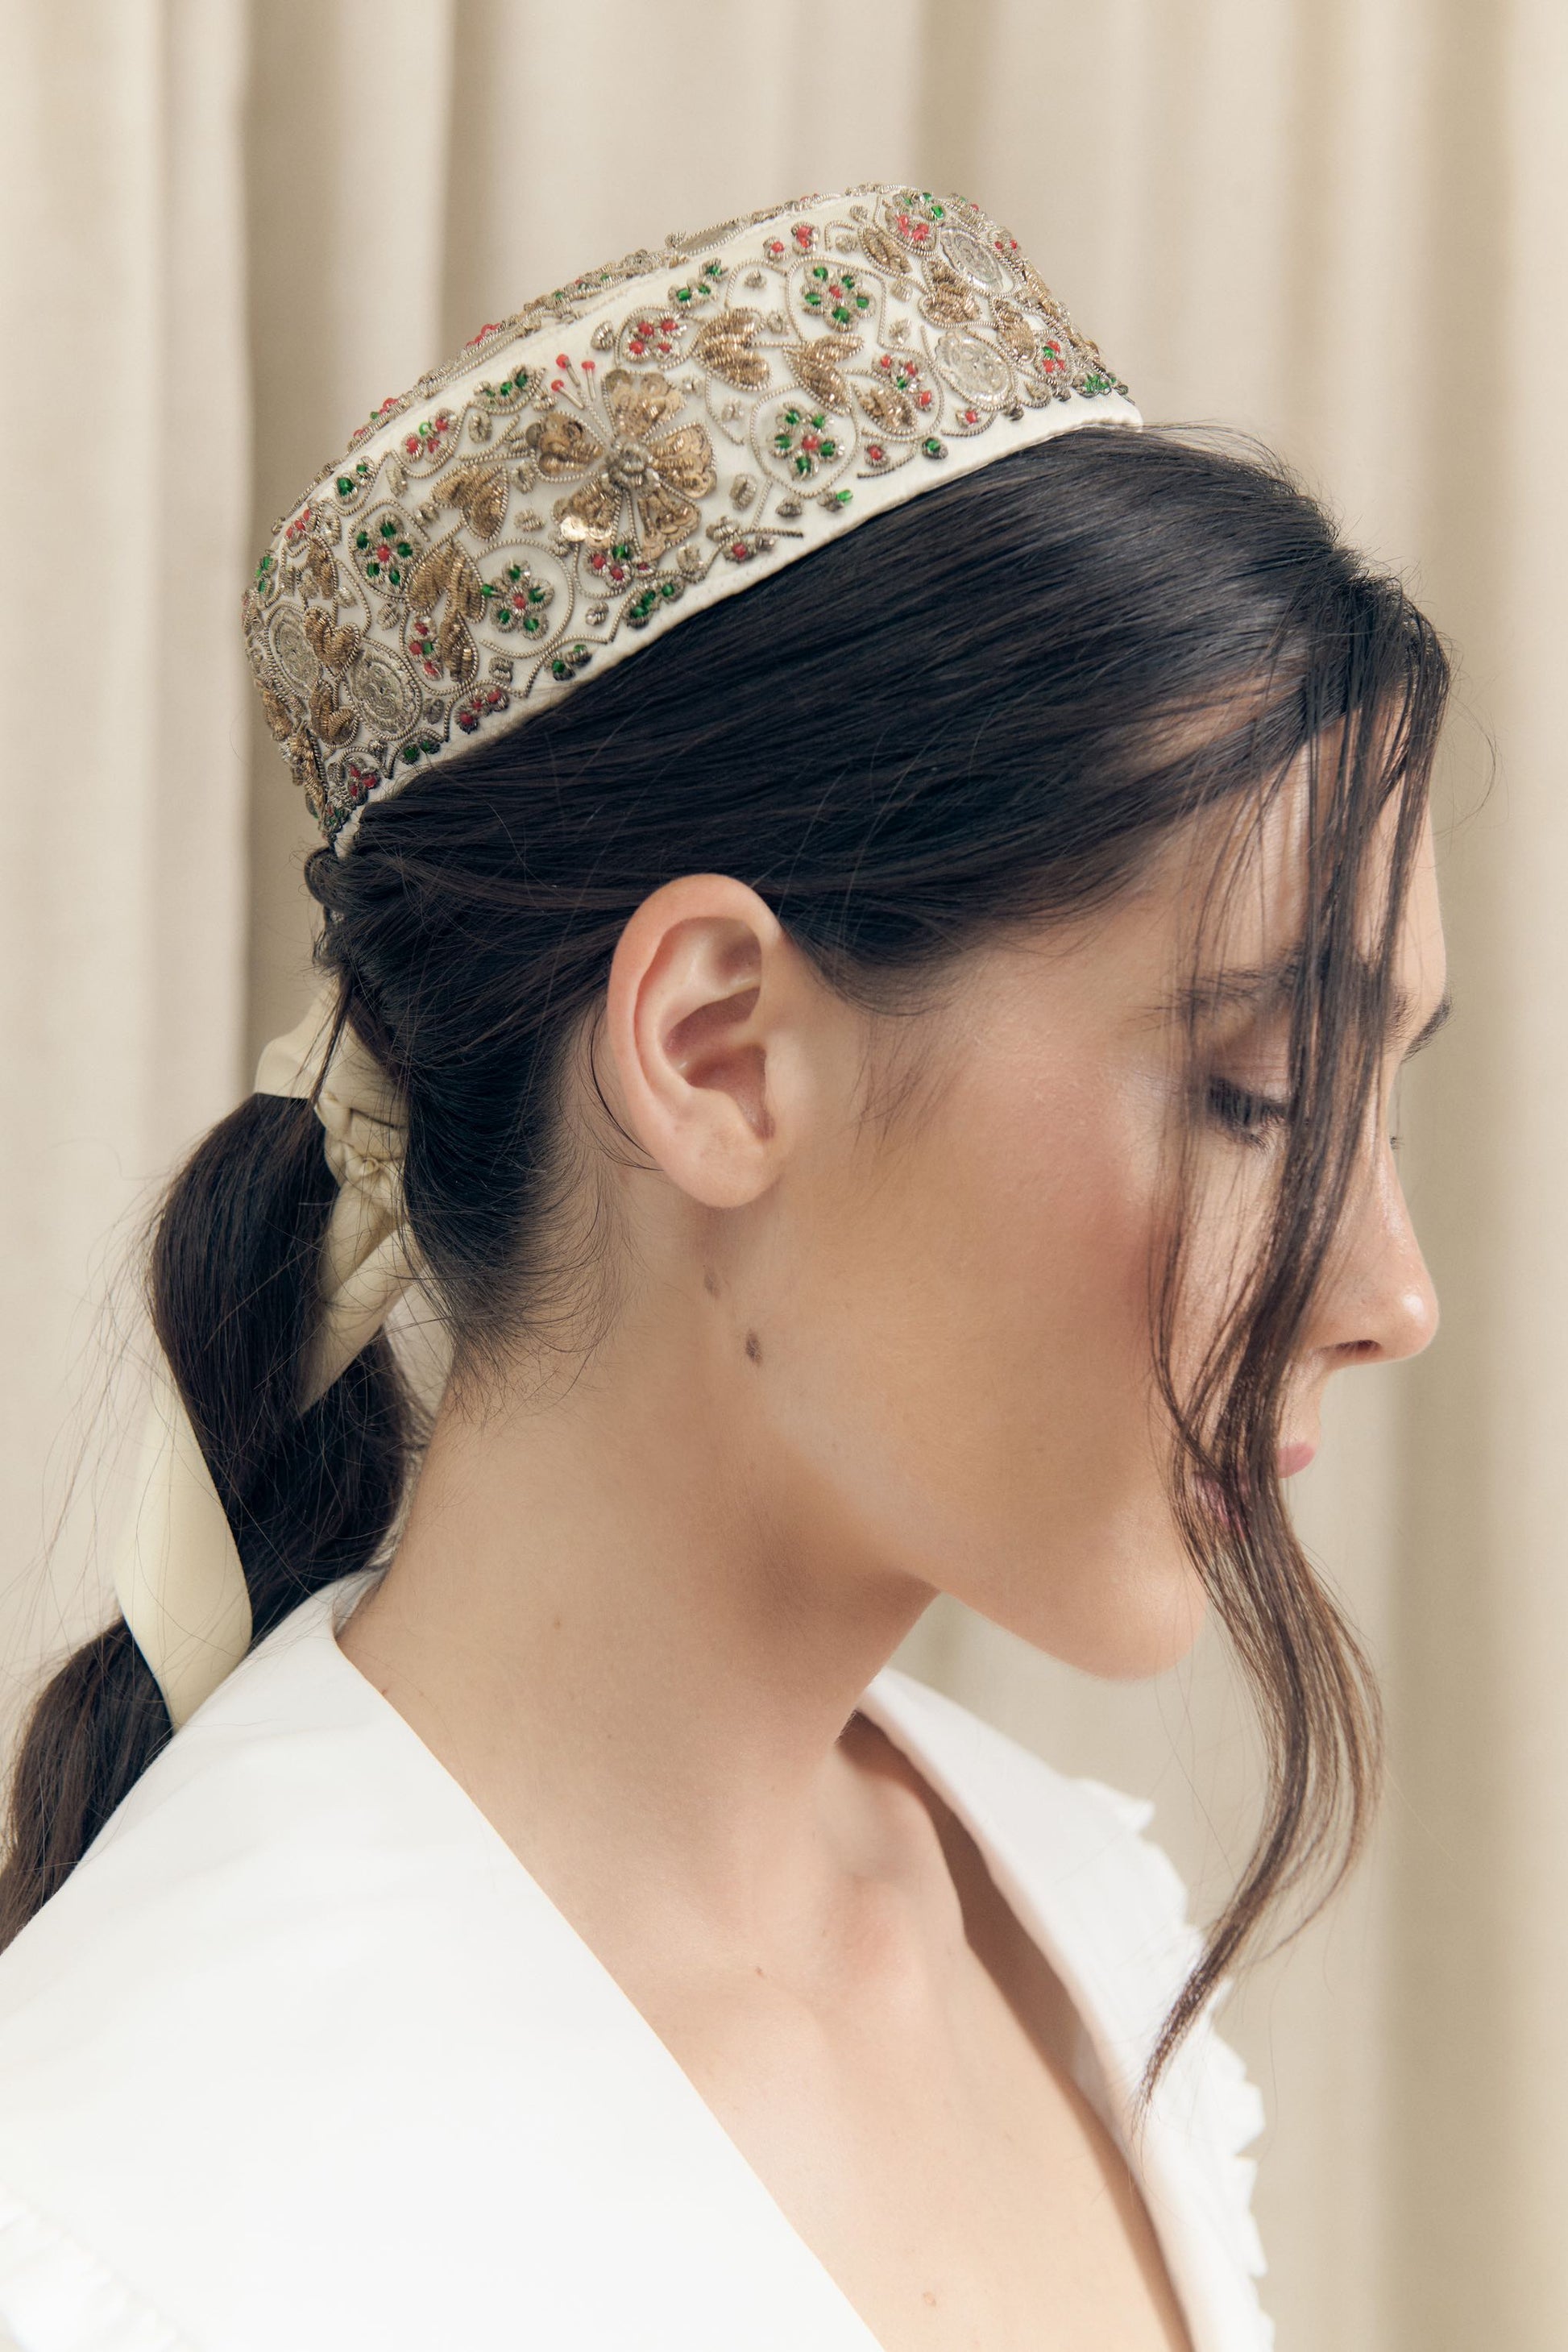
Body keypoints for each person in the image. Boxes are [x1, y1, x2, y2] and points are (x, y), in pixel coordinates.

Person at [0, 182, 1449, 2352]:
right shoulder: (151, 2213)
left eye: (1376, 1109)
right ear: (711, 1049)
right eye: (1255, 1095)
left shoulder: (1065, 1913)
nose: (1387, 1293)